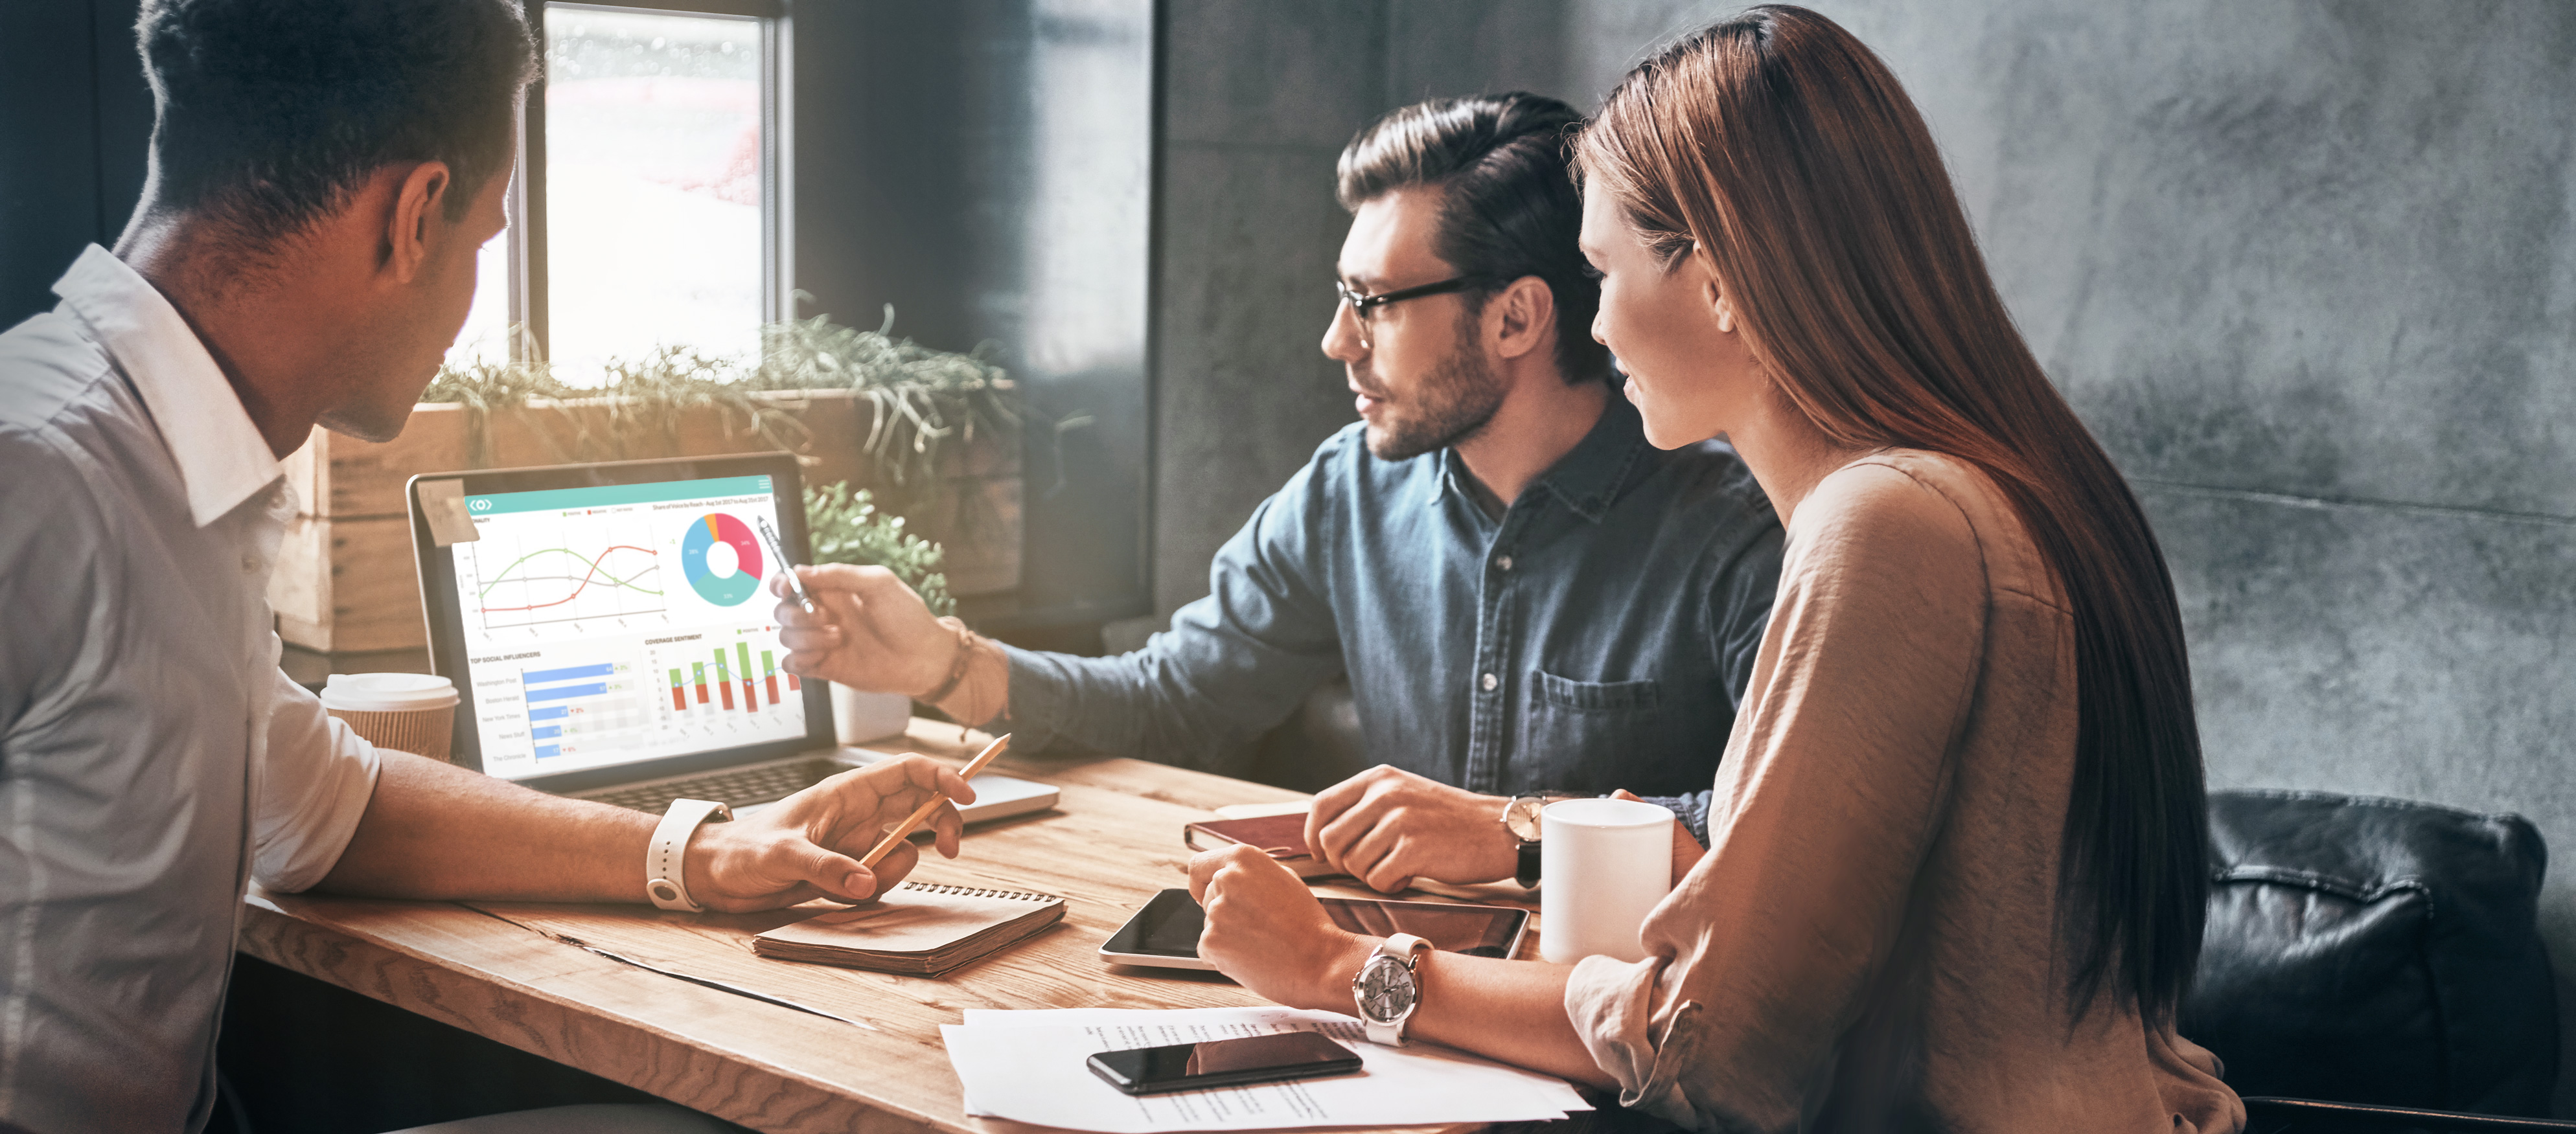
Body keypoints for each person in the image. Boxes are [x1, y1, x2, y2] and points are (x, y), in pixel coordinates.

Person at [1184, 7, 2246, 1132]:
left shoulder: (1885, 525)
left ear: (1723, 276)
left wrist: (1339, 968)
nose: (1589, 330)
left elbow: (1709, 1051)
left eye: (1601, 273)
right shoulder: (1993, 484)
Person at [0, 3, 974, 1131]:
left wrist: (711, 852)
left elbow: (327, 810)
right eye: (482, 240)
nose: (472, 300)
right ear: (415, 215)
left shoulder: (173, 472)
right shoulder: (38, 477)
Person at [775, 93, 1784, 893]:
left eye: (1373, 305)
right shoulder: (1349, 489)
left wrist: (1517, 828)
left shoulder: (1737, 533)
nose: (1336, 341)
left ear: (1516, 319)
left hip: (1614, 1037)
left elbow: (1776, 831)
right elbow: (1174, 702)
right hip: (1390, 1005)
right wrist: (941, 661)